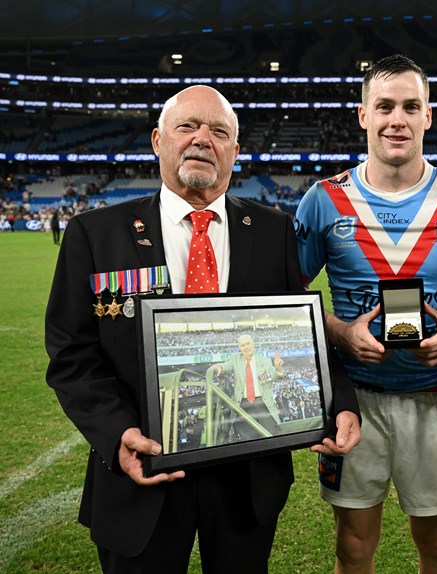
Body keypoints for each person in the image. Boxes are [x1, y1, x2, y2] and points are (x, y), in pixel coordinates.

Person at [45, 85, 361, 574]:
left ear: (235, 150)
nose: (202, 139)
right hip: (142, 469)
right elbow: (71, 353)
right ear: (158, 141)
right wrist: (117, 432)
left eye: (218, 131)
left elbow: (303, 332)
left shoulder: (274, 230)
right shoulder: (94, 233)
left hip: (246, 477)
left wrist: (340, 401)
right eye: (187, 126)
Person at [295, 54, 437, 573]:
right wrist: (340, 332)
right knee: (352, 546)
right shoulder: (323, 199)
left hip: (434, 398)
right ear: (364, 115)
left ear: (428, 115)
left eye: (410, 106)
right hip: (352, 402)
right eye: (384, 106)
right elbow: (288, 293)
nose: (396, 119)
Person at [210, 334, 285, 440]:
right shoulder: (235, 359)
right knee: (248, 439)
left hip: (262, 403)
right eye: (242, 345)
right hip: (244, 405)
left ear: (253, 344)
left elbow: (275, 376)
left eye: (248, 344)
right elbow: (226, 366)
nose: (246, 347)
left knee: (270, 434)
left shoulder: (264, 360)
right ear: (239, 348)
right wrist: (219, 367)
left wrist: (278, 368)